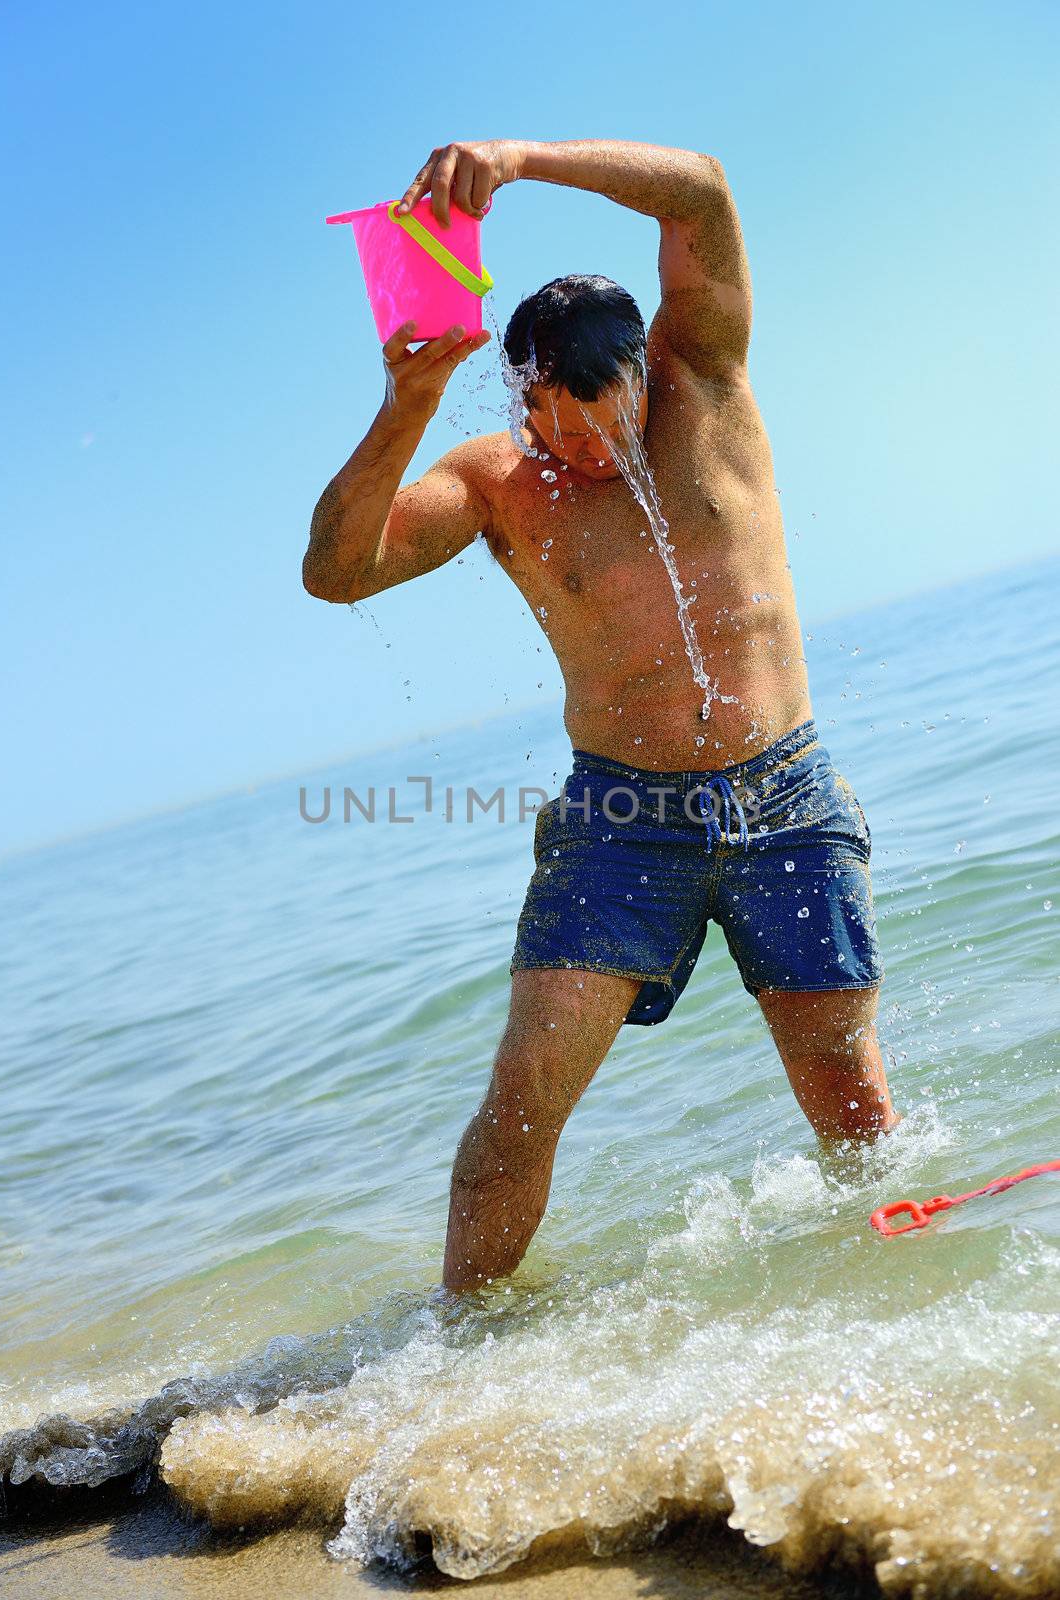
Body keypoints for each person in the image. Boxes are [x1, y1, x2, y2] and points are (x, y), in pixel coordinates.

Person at [303, 139, 900, 1293]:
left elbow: (705, 190)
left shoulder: (707, 383)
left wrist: (520, 161)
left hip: (785, 795)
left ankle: (883, 1304)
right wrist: (407, 401)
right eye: (553, 419)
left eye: (605, 409)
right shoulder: (492, 478)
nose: (586, 444)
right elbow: (338, 570)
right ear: (516, 393)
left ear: (643, 367)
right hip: (623, 822)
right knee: (519, 1115)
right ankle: (460, 1357)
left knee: (852, 1100)